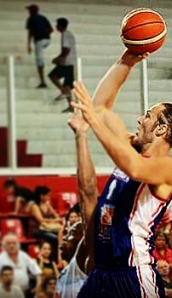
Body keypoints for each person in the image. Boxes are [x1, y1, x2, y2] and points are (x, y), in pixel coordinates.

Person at [71, 49, 172, 297]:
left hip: (132, 275)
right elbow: (100, 108)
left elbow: (134, 168)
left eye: (148, 116)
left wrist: (93, 121)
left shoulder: (167, 167)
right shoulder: (133, 148)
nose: (140, 119)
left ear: (161, 129)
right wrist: (126, 60)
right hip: (103, 273)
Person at [54, 113, 98, 298]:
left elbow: (87, 193)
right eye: (68, 232)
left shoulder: (84, 264)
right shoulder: (65, 271)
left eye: (73, 233)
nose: (66, 236)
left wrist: (81, 136)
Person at [48, 17, 76, 112]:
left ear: (60, 25)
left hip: (67, 63)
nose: (56, 26)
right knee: (67, 84)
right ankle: (71, 107)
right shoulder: (69, 34)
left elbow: (66, 50)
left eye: (57, 24)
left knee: (52, 76)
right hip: (71, 62)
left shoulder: (65, 35)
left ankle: (64, 91)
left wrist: (58, 58)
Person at [29, 186, 63, 262]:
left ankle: (62, 258)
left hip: (48, 228)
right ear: (41, 196)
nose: (49, 197)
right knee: (54, 238)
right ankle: (54, 260)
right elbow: (40, 220)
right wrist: (54, 220)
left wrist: (56, 218)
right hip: (37, 230)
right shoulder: (34, 206)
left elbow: (56, 215)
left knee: (62, 235)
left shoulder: (47, 205)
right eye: (48, 195)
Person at [25, 4, 53, 88]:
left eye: (29, 10)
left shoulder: (31, 19)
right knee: (40, 57)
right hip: (47, 40)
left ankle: (42, 82)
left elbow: (30, 32)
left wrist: (29, 45)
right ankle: (42, 81)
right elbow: (51, 29)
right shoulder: (43, 17)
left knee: (39, 61)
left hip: (39, 41)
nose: (28, 12)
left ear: (32, 11)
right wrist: (46, 34)